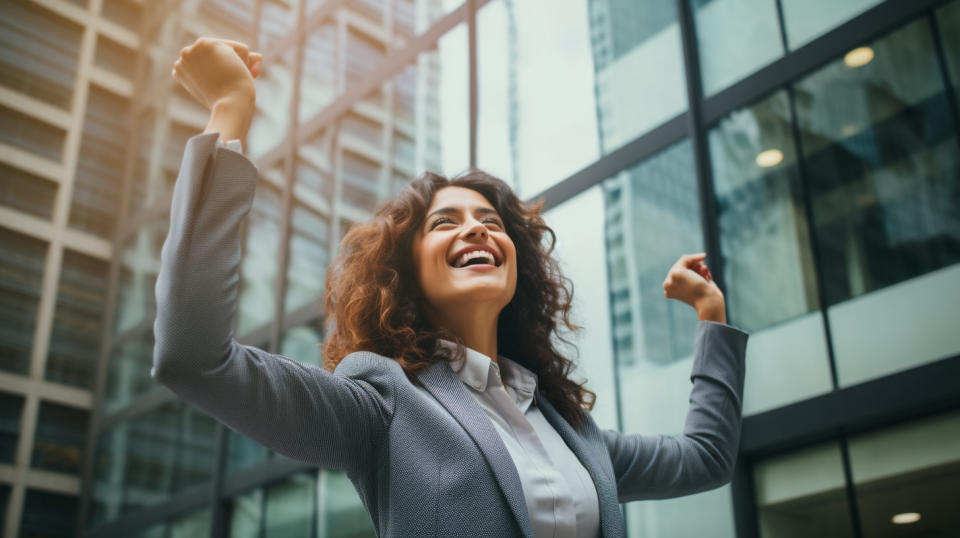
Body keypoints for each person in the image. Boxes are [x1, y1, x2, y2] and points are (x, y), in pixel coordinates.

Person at [156, 37, 749, 537]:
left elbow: (706, 458)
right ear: (406, 270)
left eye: (491, 222)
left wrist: (711, 318)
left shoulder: (571, 429)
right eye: (447, 222)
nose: (477, 229)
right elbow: (194, 359)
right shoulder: (381, 400)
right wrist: (230, 111)